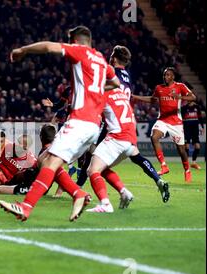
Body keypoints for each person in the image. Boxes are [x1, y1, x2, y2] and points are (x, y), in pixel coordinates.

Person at [0, 25, 120, 222]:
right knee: (44, 160)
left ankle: (26, 207)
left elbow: (48, 47)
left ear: (77, 40)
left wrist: (23, 50)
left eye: (71, 40)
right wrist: (95, 88)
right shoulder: (102, 60)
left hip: (79, 121)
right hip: (93, 126)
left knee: (50, 162)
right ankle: (78, 194)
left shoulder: (80, 51)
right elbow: (115, 83)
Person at [86, 45, 170, 214]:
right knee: (120, 161)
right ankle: (125, 192)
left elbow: (93, 111)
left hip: (116, 131)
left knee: (92, 168)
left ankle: (103, 202)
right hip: (129, 128)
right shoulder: (126, 79)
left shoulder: (106, 86)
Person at [133, 67, 197, 182]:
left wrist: (179, 97)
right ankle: (164, 165)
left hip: (176, 122)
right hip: (162, 120)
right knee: (154, 136)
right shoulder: (159, 88)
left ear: (173, 76)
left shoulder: (180, 86)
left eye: (168, 75)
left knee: (181, 150)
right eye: (164, 75)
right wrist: (135, 97)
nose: (165, 77)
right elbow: (153, 100)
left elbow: (193, 97)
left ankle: (187, 170)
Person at [181, 100, 205, 169]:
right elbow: (181, 118)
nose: (189, 101)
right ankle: (187, 163)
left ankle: (194, 163)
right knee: (187, 146)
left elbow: (200, 117)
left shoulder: (197, 107)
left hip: (195, 129)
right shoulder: (184, 108)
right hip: (186, 128)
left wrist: (202, 127)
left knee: (197, 146)